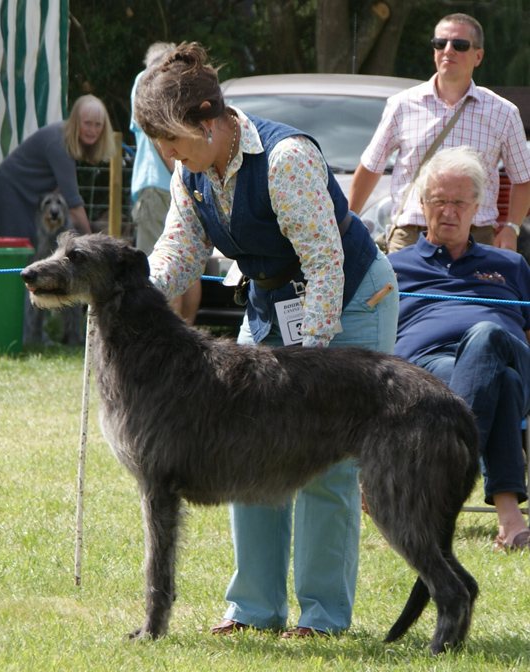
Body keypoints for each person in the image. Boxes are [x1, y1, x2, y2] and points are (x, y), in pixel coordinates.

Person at [133, 42, 400, 636]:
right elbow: (178, 253)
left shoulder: (286, 161)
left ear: (207, 124)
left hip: (352, 301)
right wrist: (133, 293)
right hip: (272, 303)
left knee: (325, 458)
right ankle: (254, 610)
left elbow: (326, 265)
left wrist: (311, 368)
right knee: (247, 449)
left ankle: (324, 616)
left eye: (170, 140)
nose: (165, 153)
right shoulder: (191, 171)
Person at [389, 145, 530, 551]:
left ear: (477, 207)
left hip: (514, 361)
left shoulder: (511, 266)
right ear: (422, 202)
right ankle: (510, 520)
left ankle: (437, 487)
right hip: (428, 375)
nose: (448, 211)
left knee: (488, 338)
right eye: (439, 201)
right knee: (498, 380)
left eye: (458, 202)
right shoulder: (395, 268)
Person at [349, 13, 530, 254]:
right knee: (403, 294)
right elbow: (371, 167)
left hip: (476, 239)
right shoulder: (401, 105)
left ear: (478, 56)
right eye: (439, 43)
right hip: (411, 237)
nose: (448, 50)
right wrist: (347, 224)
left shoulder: (503, 112)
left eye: (460, 45)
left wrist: (511, 227)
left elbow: (523, 178)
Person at [0, 95, 116, 246]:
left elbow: (62, 192)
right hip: (10, 191)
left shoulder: (70, 143)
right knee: (17, 248)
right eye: (87, 123)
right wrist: (92, 243)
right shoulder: (60, 145)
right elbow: (74, 207)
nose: (93, 130)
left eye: (98, 125)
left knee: (36, 245)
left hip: (25, 192)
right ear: (76, 122)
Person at [131, 42, 202, 324]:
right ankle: (186, 336)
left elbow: (153, 133)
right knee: (188, 266)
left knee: (159, 267)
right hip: (182, 184)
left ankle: (168, 342)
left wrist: (180, 174)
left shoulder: (146, 82)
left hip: (156, 186)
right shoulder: (181, 87)